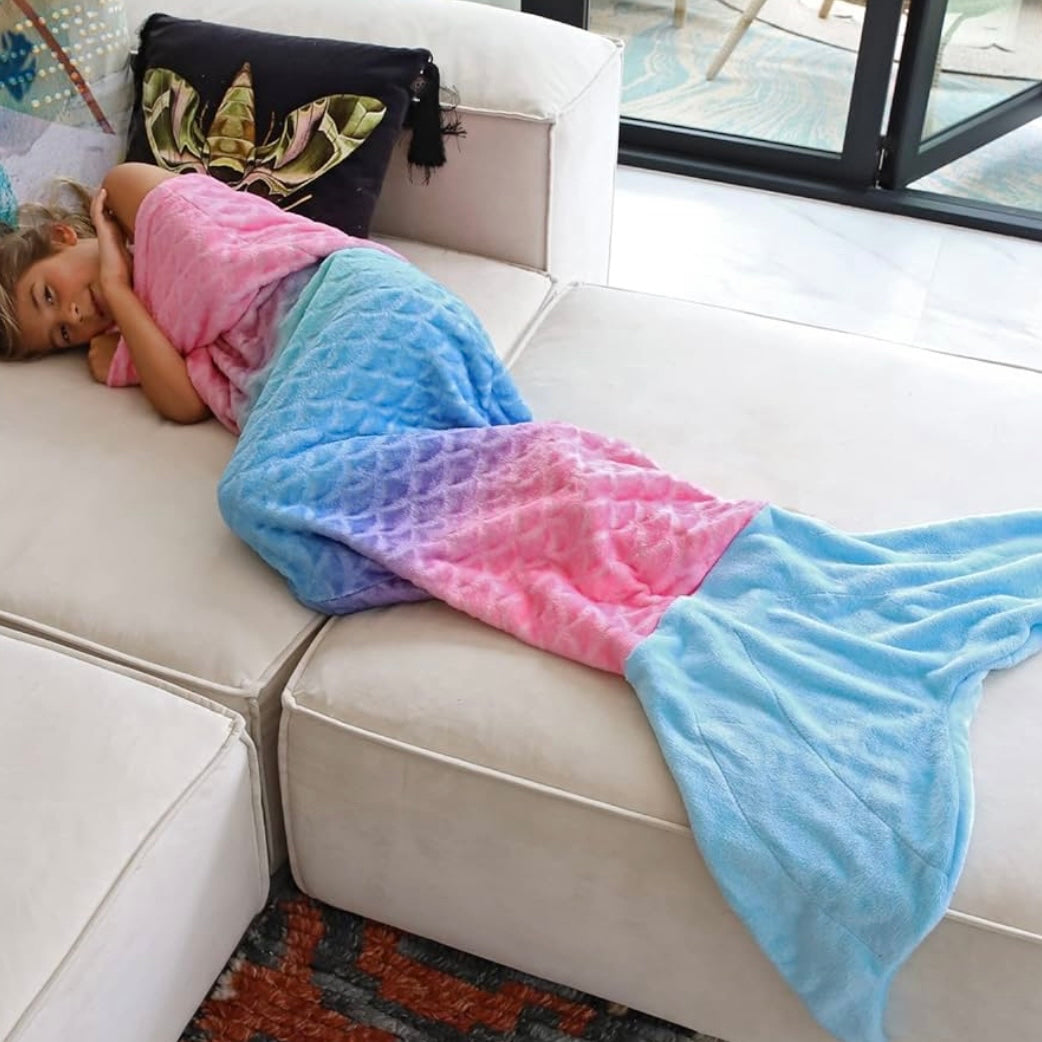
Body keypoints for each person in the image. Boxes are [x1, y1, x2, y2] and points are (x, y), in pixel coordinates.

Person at [0, 163, 392, 431]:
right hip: (311, 370)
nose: (72, 316)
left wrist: (120, 286)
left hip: (339, 293)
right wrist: (119, 293)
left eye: (48, 296)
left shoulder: (125, 190)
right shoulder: (129, 332)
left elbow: (219, 274)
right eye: (63, 334)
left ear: (60, 236)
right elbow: (185, 407)